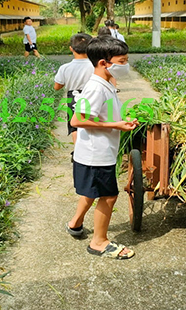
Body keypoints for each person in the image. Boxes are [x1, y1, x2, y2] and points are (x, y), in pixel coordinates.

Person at [65, 35, 138, 260]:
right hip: (96, 155)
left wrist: (119, 120)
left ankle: (75, 224)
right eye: (122, 61)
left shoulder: (105, 83)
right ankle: (99, 242)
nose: (125, 66)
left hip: (93, 152)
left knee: (90, 192)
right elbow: (77, 120)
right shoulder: (96, 88)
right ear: (103, 63)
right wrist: (115, 124)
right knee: (108, 197)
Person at [54, 33, 94, 147]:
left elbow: (57, 87)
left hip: (73, 97)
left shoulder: (65, 68)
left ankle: (77, 151)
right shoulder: (95, 66)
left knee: (74, 126)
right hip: (92, 96)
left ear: (71, 48)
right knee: (92, 122)